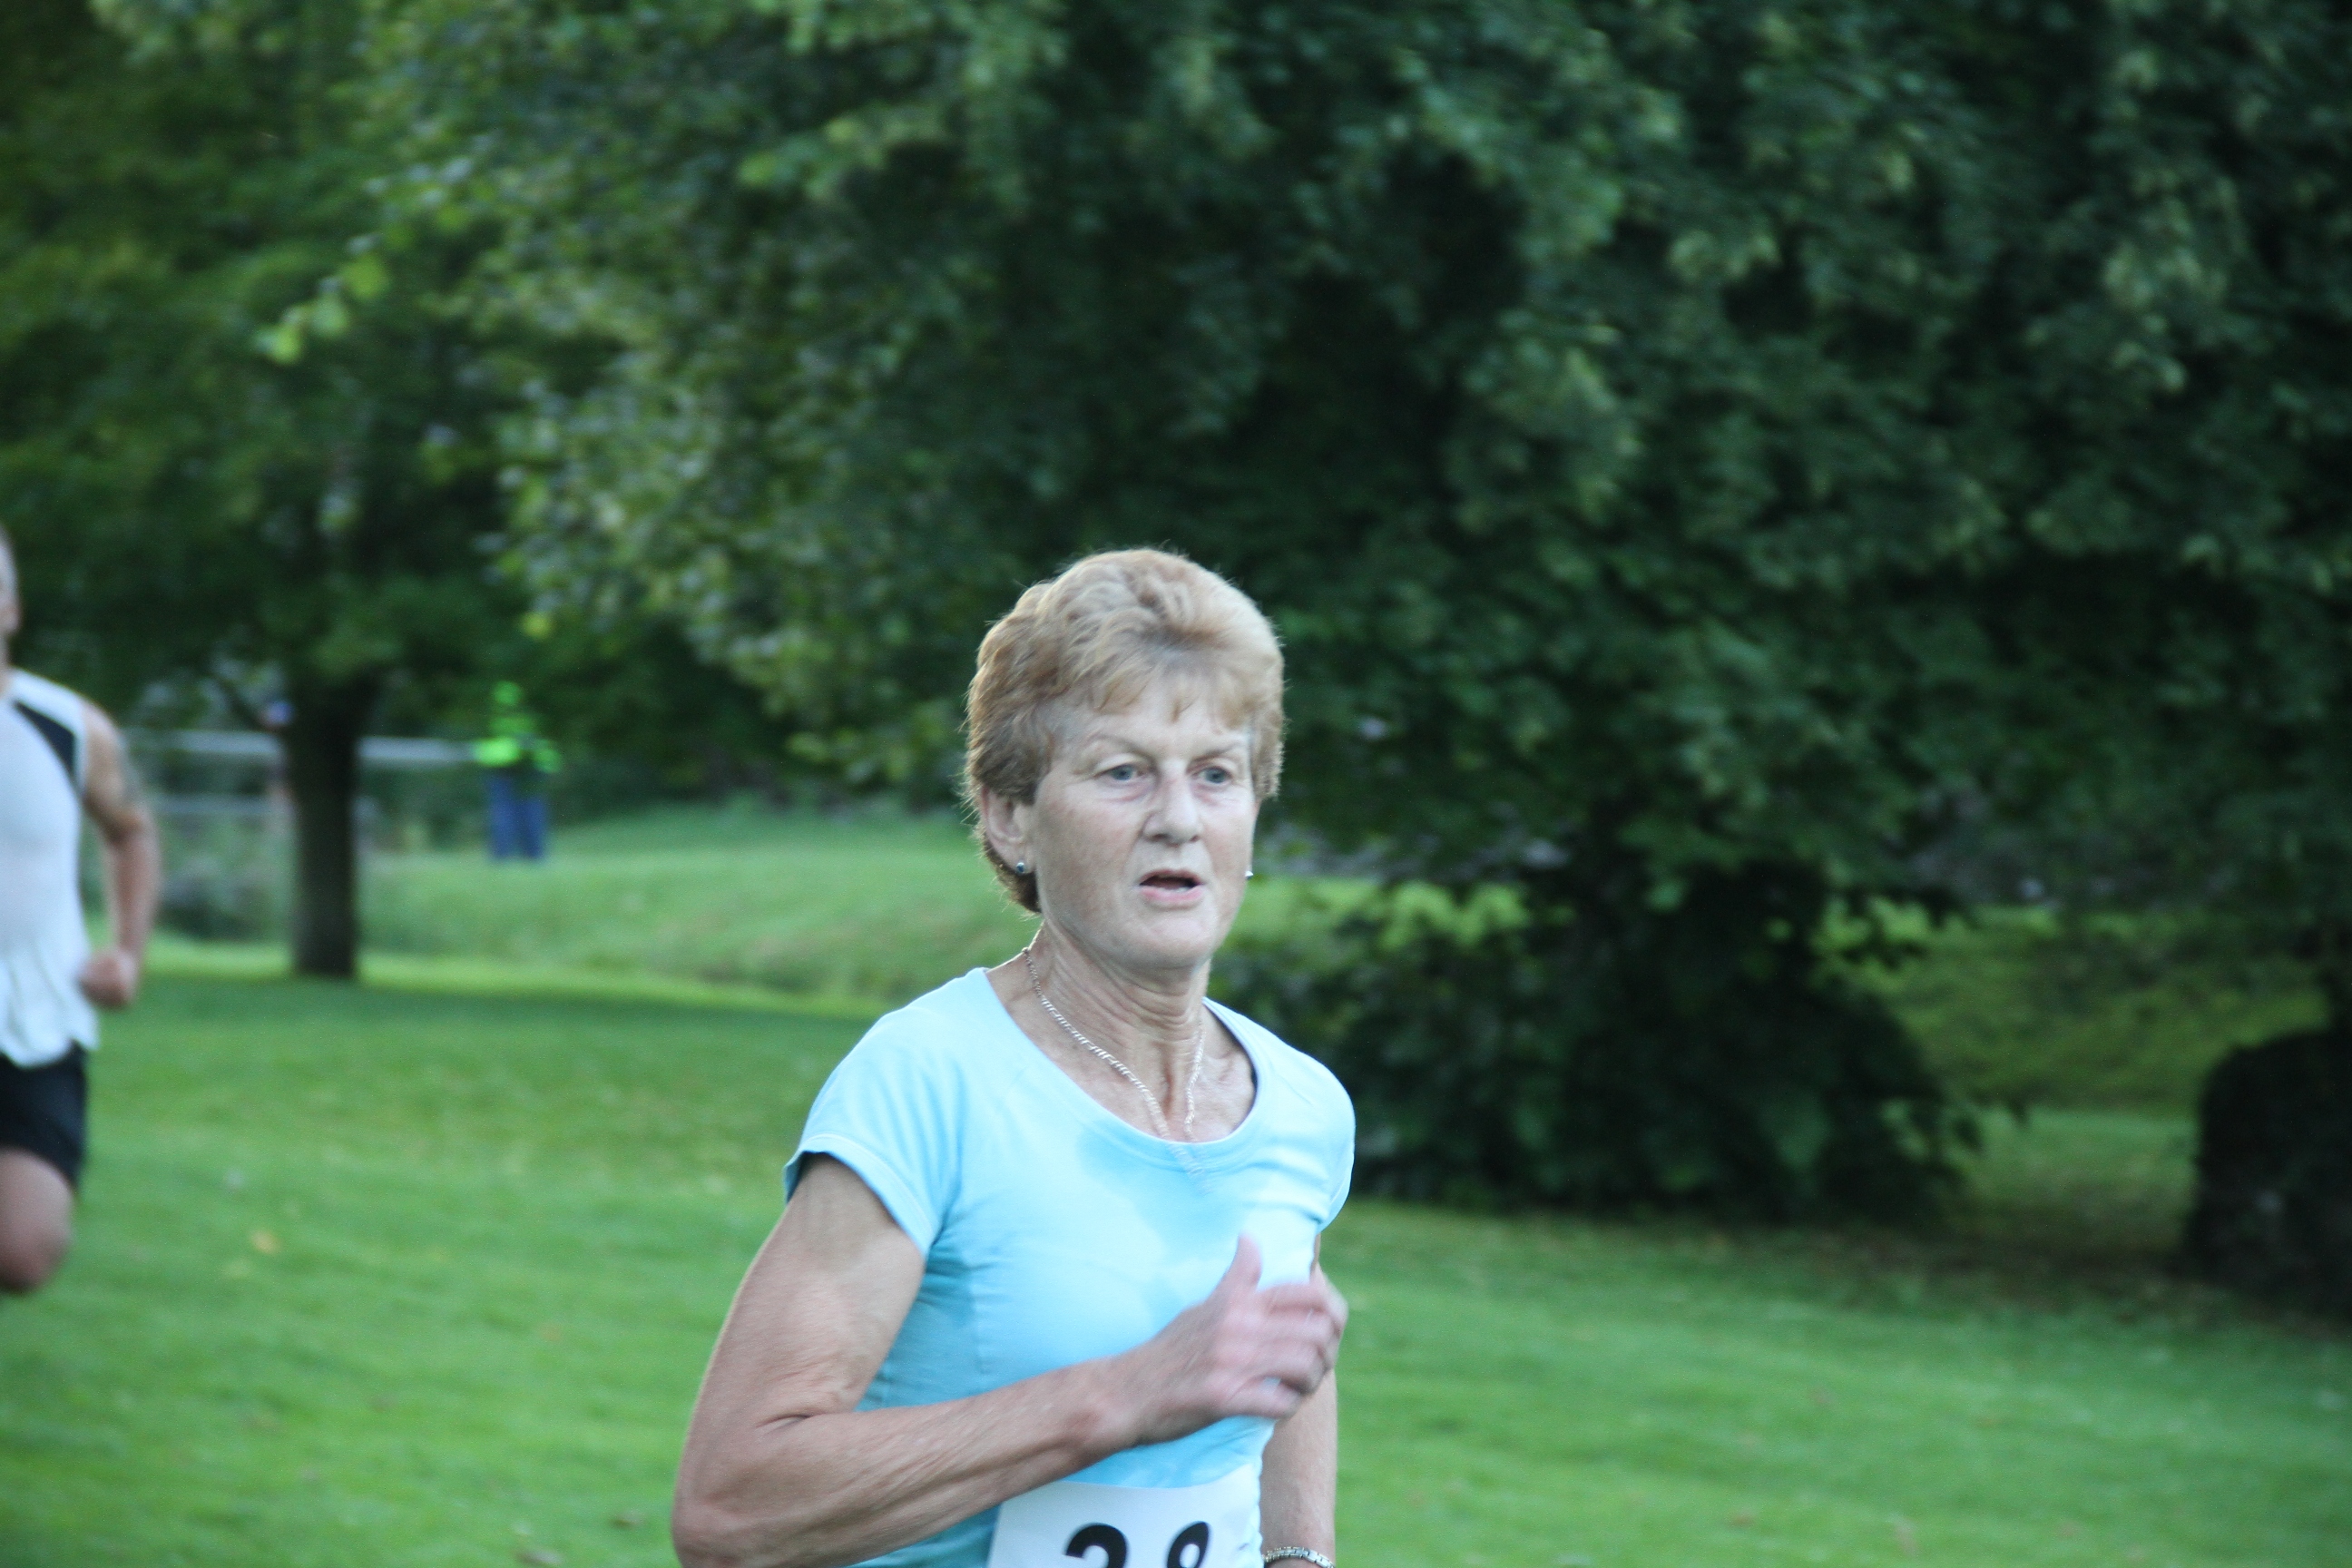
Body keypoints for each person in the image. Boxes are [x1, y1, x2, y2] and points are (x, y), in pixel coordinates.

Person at [675, 551, 1355, 1568]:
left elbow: (1275, 1357)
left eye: (1216, 774)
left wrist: (1299, 1558)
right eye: (1123, 772)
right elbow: (729, 1509)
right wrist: (1119, 1396)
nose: (1178, 818)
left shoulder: (1300, 1105)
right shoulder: (929, 1081)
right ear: (1011, 817)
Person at [0, 525, 161, 1294]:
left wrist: (128, 952)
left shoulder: (70, 727)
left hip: (36, 1023)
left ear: (10, 610)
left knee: (23, 1253)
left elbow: (132, 832)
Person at [473, 681, 563, 861]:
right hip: (514, 772)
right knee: (519, 815)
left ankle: (511, 858)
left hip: (518, 773)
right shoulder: (524, 717)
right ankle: (527, 857)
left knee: (512, 815)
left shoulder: (495, 719)